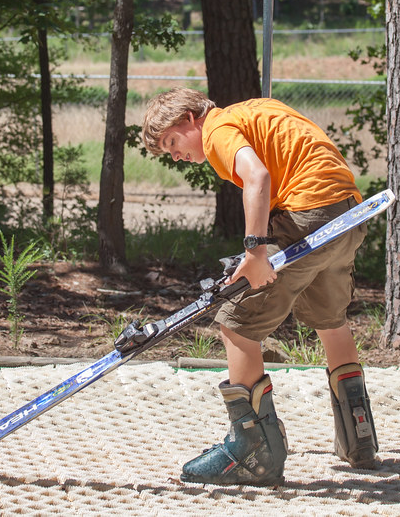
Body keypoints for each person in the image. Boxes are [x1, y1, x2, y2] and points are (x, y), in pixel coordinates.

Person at [142, 87, 378, 486]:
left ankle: (255, 453)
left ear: (188, 118)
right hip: (347, 212)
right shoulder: (255, 110)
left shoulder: (216, 129)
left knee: (236, 324)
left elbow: (258, 176)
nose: (177, 156)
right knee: (330, 319)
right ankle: (359, 438)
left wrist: (255, 251)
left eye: (172, 142)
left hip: (309, 212)